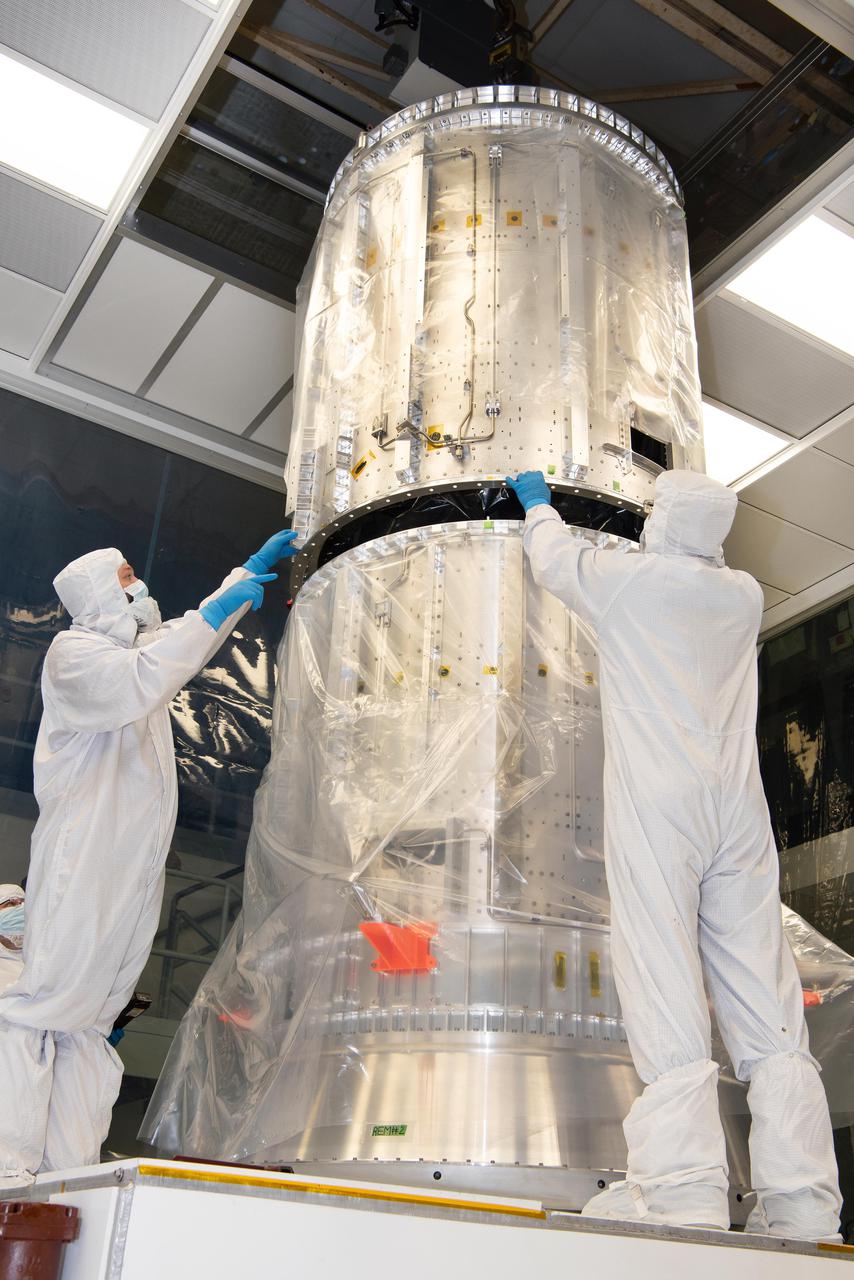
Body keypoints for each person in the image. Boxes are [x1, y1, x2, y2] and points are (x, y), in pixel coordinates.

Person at [507, 468, 842, 1241]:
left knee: (662, 971)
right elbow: (695, 557)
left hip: (663, 803)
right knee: (767, 995)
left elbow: (553, 560)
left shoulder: (631, 584)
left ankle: (682, 1190)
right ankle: (802, 1205)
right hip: (737, 811)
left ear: (663, 524)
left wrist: (536, 504)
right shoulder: (744, 595)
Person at [0, 531, 297, 1188]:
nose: (140, 590)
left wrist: (239, 577)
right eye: (127, 580)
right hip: (84, 856)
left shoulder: (132, 651)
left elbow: (183, 640)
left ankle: (66, 1175)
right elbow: (146, 677)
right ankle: (8, 1166)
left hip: (130, 868)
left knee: (90, 1021)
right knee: (44, 1004)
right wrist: (220, 612)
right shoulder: (74, 655)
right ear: (100, 594)